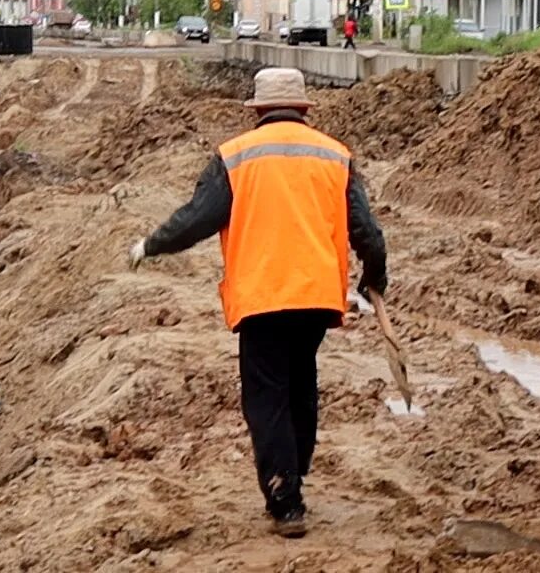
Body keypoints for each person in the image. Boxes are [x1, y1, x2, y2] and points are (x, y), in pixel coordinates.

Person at [126, 67, 387, 538]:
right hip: (316, 295)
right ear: (303, 109)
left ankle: (285, 495)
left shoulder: (235, 157)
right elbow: (367, 230)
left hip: (262, 296)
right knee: (300, 382)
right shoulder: (335, 155)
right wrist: (375, 275)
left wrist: (151, 245)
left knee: (267, 395)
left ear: (258, 110)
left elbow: (194, 221)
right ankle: (293, 468)